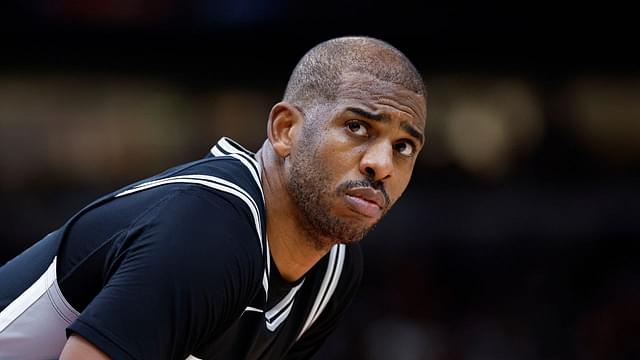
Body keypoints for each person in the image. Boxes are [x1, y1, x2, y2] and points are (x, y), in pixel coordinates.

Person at [0, 36, 427, 359]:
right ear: (285, 131)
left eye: (404, 146)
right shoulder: (207, 233)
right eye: (357, 127)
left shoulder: (333, 267)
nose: (380, 164)